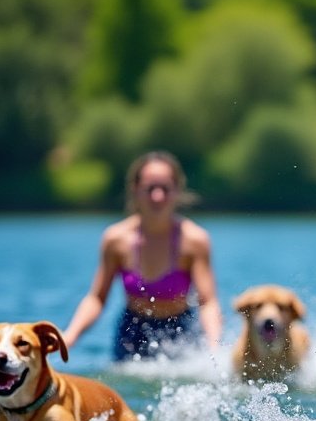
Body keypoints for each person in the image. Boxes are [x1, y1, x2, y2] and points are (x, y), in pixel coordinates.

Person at [64, 151, 223, 360]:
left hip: (181, 334)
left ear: (177, 190)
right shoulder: (115, 239)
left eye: (165, 188)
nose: (158, 196)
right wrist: (70, 336)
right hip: (132, 334)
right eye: (150, 189)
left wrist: (215, 347)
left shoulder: (195, 240)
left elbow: (208, 302)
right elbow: (96, 298)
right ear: (135, 190)